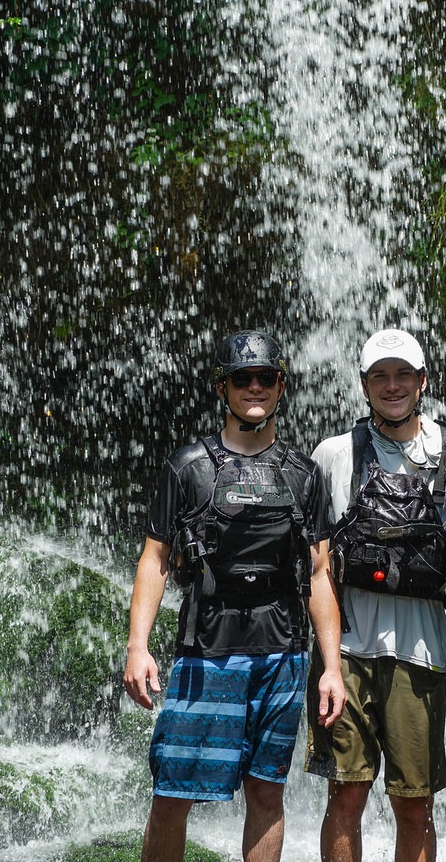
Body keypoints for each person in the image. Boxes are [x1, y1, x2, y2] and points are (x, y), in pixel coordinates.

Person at [123, 329, 346, 862]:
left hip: (283, 655)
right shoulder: (188, 467)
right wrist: (138, 645)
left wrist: (331, 666)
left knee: (267, 791)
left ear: (280, 386)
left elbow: (319, 573)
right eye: (242, 379)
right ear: (221, 388)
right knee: (173, 793)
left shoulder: (303, 475)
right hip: (206, 653)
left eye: (264, 378)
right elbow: (154, 559)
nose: (254, 388)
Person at [305, 329, 446, 862]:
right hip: (347, 652)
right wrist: (329, 664)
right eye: (380, 375)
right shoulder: (332, 454)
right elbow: (320, 568)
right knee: (346, 792)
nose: (392, 385)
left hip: (421, 654)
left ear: (424, 382)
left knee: (414, 803)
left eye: (403, 374)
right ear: (362, 385)